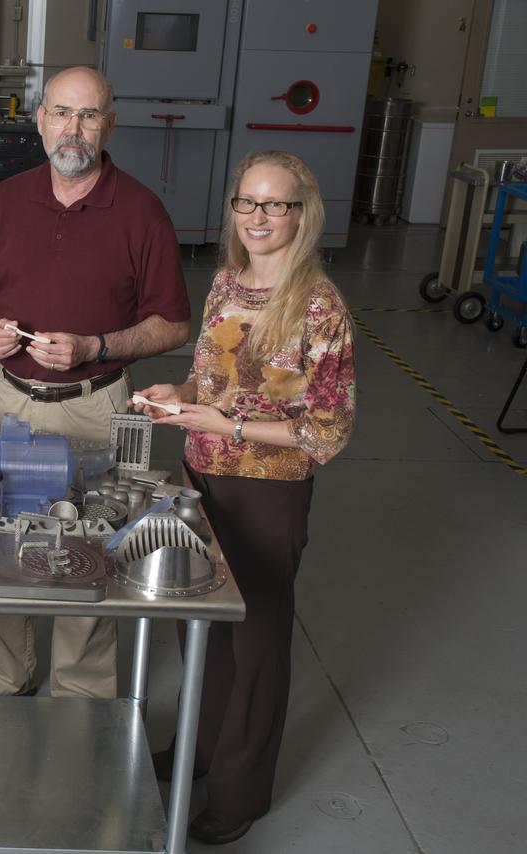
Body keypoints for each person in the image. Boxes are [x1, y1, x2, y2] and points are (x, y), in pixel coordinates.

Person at [132, 150, 356, 844]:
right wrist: (183, 397)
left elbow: (328, 430)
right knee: (200, 627)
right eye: (246, 203)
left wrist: (224, 422)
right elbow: (210, 375)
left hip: (269, 492)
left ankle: (239, 792)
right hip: (201, 477)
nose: (258, 217)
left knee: (256, 644)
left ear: (301, 214)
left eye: (275, 205)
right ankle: (200, 750)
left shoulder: (319, 306)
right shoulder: (227, 282)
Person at [0, 66, 191, 700]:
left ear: (109, 125)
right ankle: (2, 677)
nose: (74, 129)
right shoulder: (8, 200)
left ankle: (81, 691)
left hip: (94, 406)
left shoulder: (141, 211)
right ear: (39, 120)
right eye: (62, 113)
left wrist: (97, 346)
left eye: (88, 116)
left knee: (89, 548)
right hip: (6, 397)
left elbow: (173, 324)